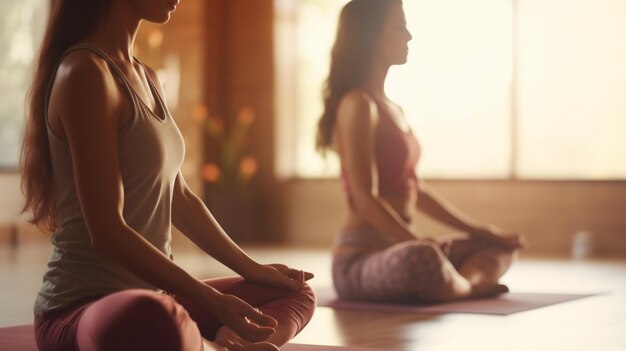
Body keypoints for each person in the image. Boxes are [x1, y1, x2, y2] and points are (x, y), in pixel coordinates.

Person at [20, 1, 315, 350]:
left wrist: (253, 269)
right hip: (84, 310)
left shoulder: (148, 77)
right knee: (150, 315)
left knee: (293, 291)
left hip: (158, 298)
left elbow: (180, 196)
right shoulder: (84, 72)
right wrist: (210, 298)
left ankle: (231, 344)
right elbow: (107, 231)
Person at [317, 0, 527, 304]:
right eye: (400, 27)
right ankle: (464, 285)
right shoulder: (358, 104)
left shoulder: (394, 108)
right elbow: (364, 199)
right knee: (422, 258)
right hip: (361, 259)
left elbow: (417, 190)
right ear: (372, 36)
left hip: (405, 247)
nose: (410, 37)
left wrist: (482, 230)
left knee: (497, 247)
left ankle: (459, 284)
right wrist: (418, 242)